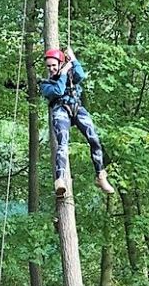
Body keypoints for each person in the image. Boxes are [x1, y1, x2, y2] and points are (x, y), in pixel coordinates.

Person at [40, 47, 114, 196]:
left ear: (60, 63)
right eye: (49, 66)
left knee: (94, 139)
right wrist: (62, 73)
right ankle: (59, 180)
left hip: (77, 107)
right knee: (63, 144)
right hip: (60, 110)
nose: (51, 69)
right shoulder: (45, 84)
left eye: (54, 65)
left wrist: (73, 59)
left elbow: (81, 75)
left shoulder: (71, 74)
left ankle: (100, 175)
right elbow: (58, 91)